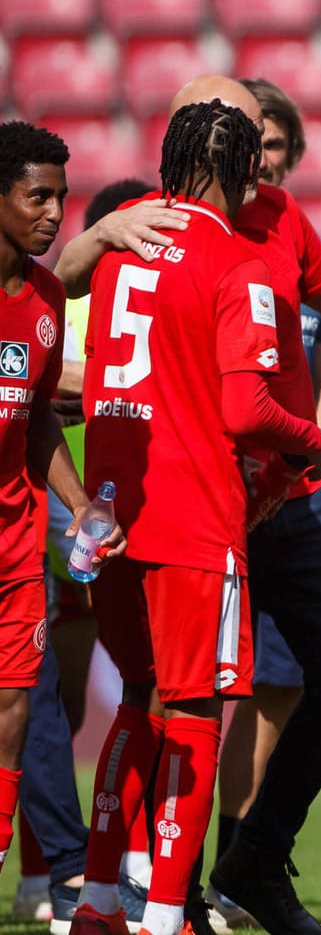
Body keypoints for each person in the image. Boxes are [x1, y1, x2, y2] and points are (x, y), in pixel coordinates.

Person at [68, 99, 321, 935]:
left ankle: (102, 901)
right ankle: (165, 917)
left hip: (112, 519)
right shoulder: (243, 261)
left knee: (138, 702)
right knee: (192, 713)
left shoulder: (121, 244)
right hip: (191, 521)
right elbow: (249, 408)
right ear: (250, 169)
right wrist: (309, 437)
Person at [209, 77, 321, 934]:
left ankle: (245, 857)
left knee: (299, 684)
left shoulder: (293, 228)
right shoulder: (199, 229)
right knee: (210, 687)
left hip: (296, 487)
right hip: (222, 492)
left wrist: (315, 452)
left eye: (284, 148)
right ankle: (193, 863)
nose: (272, 160)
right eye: (261, 146)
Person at [0, 119, 126, 920]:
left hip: (17, 540)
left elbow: (41, 416)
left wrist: (79, 505)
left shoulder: (47, 299)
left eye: (61, 198)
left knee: (17, 706)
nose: (53, 214)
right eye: (35, 196)